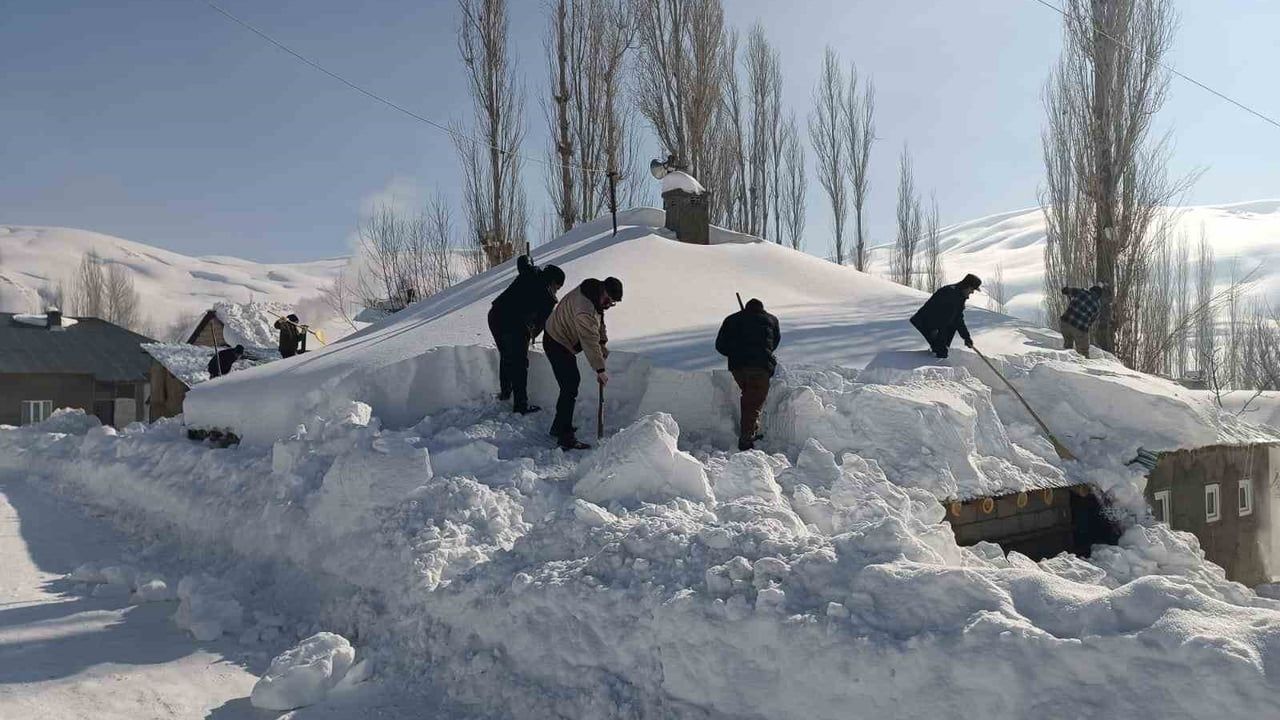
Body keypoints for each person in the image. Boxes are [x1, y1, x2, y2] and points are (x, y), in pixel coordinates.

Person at [543, 276, 623, 450]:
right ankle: (564, 437)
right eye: (609, 301)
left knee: (570, 384)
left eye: (612, 303)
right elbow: (589, 340)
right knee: (570, 385)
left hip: (562, 338)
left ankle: (558, 427)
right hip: (556, 340)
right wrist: (600, 369)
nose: (609, 305)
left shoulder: (595, 295)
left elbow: (599, 322)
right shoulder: (584, 308)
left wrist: (603, 342)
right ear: (603, 291)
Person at [488, 255, 565, 413]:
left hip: (495, 315)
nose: (556, 290)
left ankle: (505, 392)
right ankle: (520, 406)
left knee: (507, 355)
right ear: (553, 282)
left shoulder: (531, 273)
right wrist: (531, 335)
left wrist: (529, 260)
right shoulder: (547, 296)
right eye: (557, 286)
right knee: (519, 363)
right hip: (512, 322)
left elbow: (523, 261)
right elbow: (542, 324)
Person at [715, 298, 781, 452]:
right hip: (760, 367)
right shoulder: (771, 320)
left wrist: (735, 353)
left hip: (738, 367)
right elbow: (775, 342)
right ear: (762, 309)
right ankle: (746, 439)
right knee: (753, 400)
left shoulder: (732, 319)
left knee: (750, 398)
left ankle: (749, 432)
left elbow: (720, 345)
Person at [910, 273, 982, 359]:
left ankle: (939, 351)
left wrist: (966, 337)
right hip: (925, 321)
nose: (972, 292)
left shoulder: (959, 296)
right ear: (968, 286)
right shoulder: (949, 294)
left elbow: (958, 319)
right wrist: (935, 332)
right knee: (941, 351)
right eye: (972, 289)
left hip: (939, 322)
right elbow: (937, 316)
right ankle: (934, 362)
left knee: (945, 342)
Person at [1060, 284, 1105, 356]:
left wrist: (1066, 290)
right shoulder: (1097, 306)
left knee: (1068, 346)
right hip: (1079, 327)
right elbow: (1091, 322)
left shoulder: (1081, 292)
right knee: (1083, 352)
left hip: (1065, 322)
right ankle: (1083, 365)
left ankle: (1066, 360)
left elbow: (1065, 291)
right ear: (1099, 296)